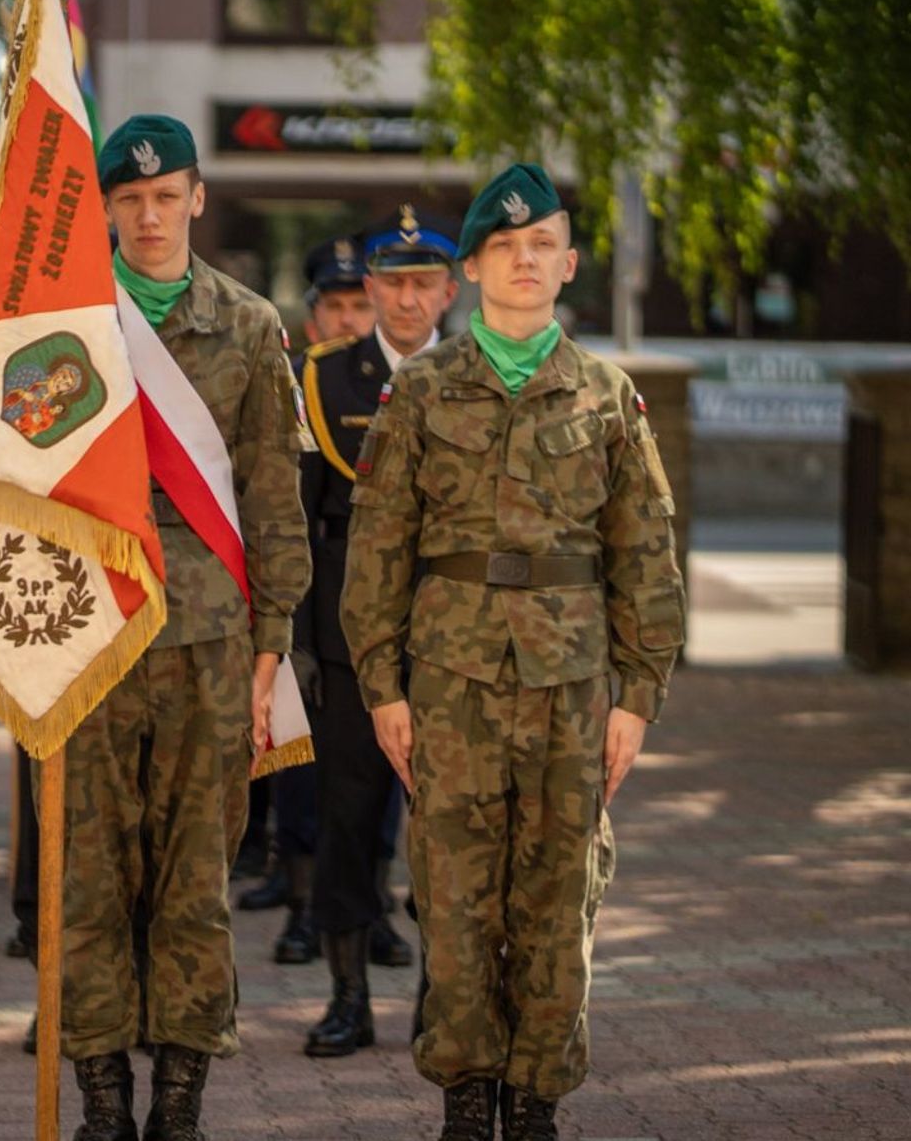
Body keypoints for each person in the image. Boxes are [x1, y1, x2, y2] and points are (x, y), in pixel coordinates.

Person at [340, 163, 684, 1141]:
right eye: (505, 247)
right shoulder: (421, 390)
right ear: (475, 267)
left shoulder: (609, 395)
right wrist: (381, 686)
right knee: (452, 895)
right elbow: (379, 549)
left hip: (574, 689)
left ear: (569, 263)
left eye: (542, 247)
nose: (525, 261)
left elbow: (644, 554)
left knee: (560, 891)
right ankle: (464, 1093)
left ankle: (535, 1099)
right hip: (448, 684)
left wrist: (639, 696)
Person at [60, 114, 311, 1141]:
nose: (151, 214)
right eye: (130, 198)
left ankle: (178, 1104)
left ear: (198, 199)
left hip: (212, 645)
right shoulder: (65, 323)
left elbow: (272, 496)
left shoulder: (250, 326)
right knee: (89, 881)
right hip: (90, 637)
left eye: (168, 196)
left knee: (197, 880)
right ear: (107, 208)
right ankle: (105, 1105)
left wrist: (270, 651)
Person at [299, 209, 459, 1057]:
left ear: (448, 289)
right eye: (390, 282)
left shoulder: (477, 375)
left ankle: (440, 993)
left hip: (451, 636)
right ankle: (348, 995)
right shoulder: (326, 377)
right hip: (345, 636)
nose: (405, 298)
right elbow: (295, 516)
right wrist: (294, 643)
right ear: (368, 290)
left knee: (448, 824)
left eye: (422, 282)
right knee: (349, 819)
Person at [238, 233, 375, 963]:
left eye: (362, 303)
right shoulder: (295, 380)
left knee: (368, 775)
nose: (349, 318)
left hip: (367, 599)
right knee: (293, 757)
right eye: (336, 305)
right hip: (305, 591)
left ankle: (365, 907)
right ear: (314, 312)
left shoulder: (390, 379)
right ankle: (297, 902)